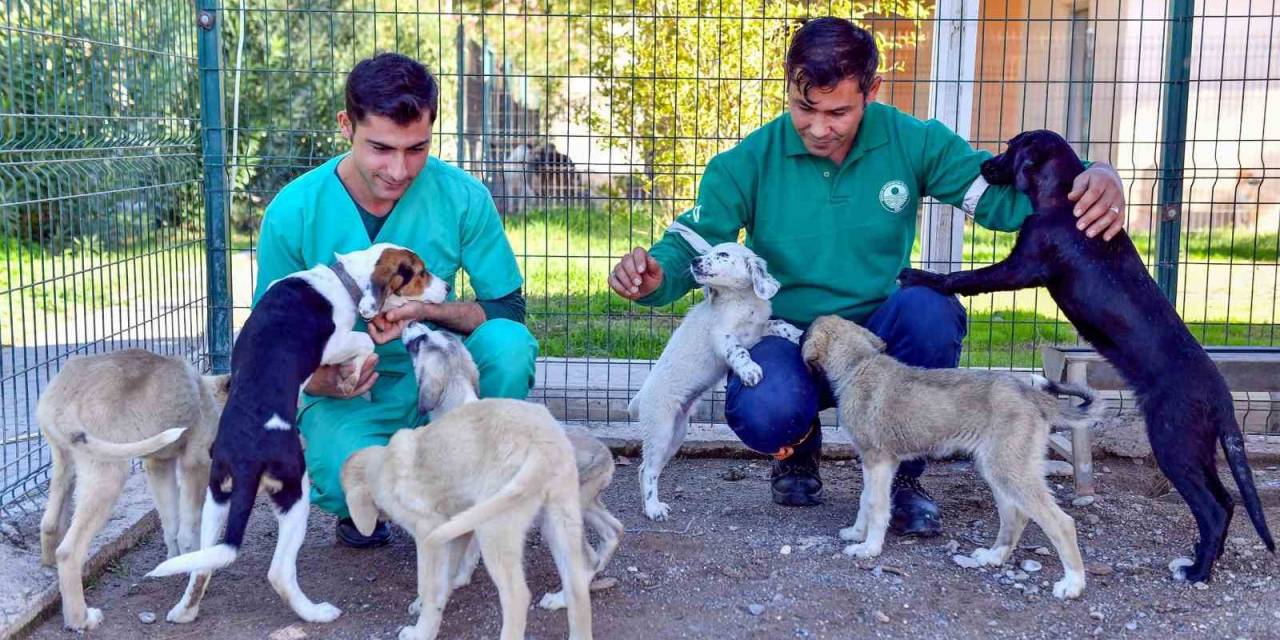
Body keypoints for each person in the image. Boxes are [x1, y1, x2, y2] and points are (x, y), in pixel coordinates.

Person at [607, 17, 1127, 537]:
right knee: (765, 408)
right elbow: (692, 243)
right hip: (787, 336)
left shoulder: (913, 140)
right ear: (788, 82)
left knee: (932, 311)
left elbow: (999, 201)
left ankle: (903, 480)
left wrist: (1090, 175)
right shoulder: (747, 161)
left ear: (871, 91)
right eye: (804, 107)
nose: (817, 127)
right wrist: (654, 276)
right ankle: (797, 448)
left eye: (839, 112)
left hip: (875, 337)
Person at [254, 52, 538, 548]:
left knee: (509, 345)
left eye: (417, 148)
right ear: (346, 126)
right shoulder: (293, 210)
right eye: (381, 148)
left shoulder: (464, 196)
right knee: (352, 486)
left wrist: (425, 310)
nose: (399, 170)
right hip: (353, 393)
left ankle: (478, 479)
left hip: (441, 371)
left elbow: (507, 309)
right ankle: (376, 496)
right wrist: (325, 380)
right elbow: (268, 346)